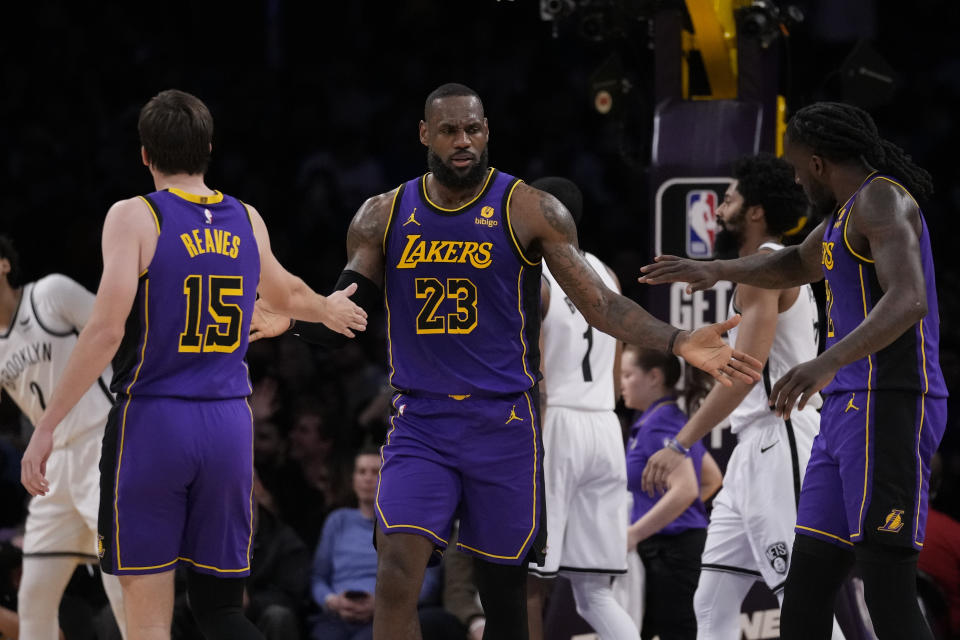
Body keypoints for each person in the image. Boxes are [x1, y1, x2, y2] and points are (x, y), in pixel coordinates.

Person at [250, 82, 762, 640]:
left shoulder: (529, 209)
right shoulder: (383, 215)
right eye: (449, 131)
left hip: (504, 425)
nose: (463, 141)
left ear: (487, 130)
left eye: (472, 128)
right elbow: (347, 312)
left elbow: (601, 304)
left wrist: (678, 339)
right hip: (421, 421)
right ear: (426, 135)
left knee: (506, 593)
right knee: (395, 572)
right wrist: (298, 321)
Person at [19, 89, 367, 640]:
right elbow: (288, 292)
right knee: (223, 611)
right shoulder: (245, 217)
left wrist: (46, 424)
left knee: (149, 626)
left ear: (144, 155)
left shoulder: (134, 216)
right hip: (229, 425)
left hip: (154, 422)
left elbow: (107, 330)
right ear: (208, 147)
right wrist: (329, 307)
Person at [639, 101, 947, 640]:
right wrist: (713, 268)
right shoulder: (841, 219)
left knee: (886, 587)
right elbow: (789, 263)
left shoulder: (882, 199)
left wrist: (823, 362)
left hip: (890, 400)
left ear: (820, 161)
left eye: (799, 164)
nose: (798, 178)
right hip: (843, 411)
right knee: (805, 588)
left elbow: (909, 300)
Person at [641, 154, 846, 639]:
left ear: (754, 212)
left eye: (728, 199)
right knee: (711, 599)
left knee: (798, 598)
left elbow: (743, 374)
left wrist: (679, 443)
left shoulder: (764, 271)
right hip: (754, 446)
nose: (718, 209)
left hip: (782, 436)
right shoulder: (765, 268)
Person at [522, 177, 638, 640]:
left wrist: (533, 446)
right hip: (605, 425)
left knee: (528, 581)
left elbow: (539, 374)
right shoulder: (607, 273)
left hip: (559, 424)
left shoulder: (537, 275)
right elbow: (616, 374)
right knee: (595, 593)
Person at [0, 235, 127, 639]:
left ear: (4, 264)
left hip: (102, 443)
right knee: (33, 595)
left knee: (120, 580)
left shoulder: (50, 294)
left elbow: (114, 333)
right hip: (53, 467)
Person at [622, 346, 722, 640]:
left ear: (654, 377)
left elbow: (688, 488)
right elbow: (711, 478)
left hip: (672, 554)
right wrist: (673, 512)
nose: (621, 382)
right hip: (673, 549)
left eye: (628, 375)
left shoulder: (659, 424)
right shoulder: (667, 418)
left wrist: (635, 533)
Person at [310, 448, 456, 640]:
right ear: (353, 480)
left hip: (389, 612)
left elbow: (428, 582)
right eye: (361, 472)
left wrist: (386, 603)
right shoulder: (338, 521)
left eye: (375, 472)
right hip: (338, 614)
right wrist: (332, 601)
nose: (368, 479)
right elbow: (318, 577)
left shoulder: (408, 524)